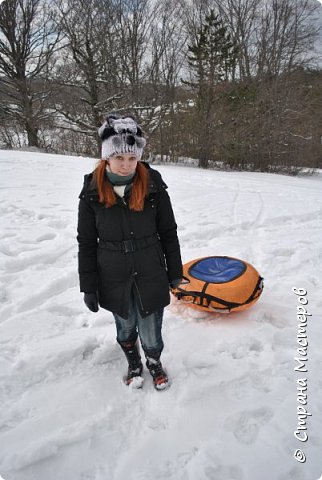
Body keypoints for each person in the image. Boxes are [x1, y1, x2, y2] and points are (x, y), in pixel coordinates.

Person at [77, 113, 183, 390]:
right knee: (125, 327)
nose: (126, 165)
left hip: (150, 270)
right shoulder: (91, 191)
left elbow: (168, 232)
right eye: (119, 158)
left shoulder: (154, 186)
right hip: (113, 274)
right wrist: (88, 286)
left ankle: (153, 361)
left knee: (151, 330)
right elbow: (86, 242)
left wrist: (175, 273)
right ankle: (133, 362)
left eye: (132, 158)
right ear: (106, 157)